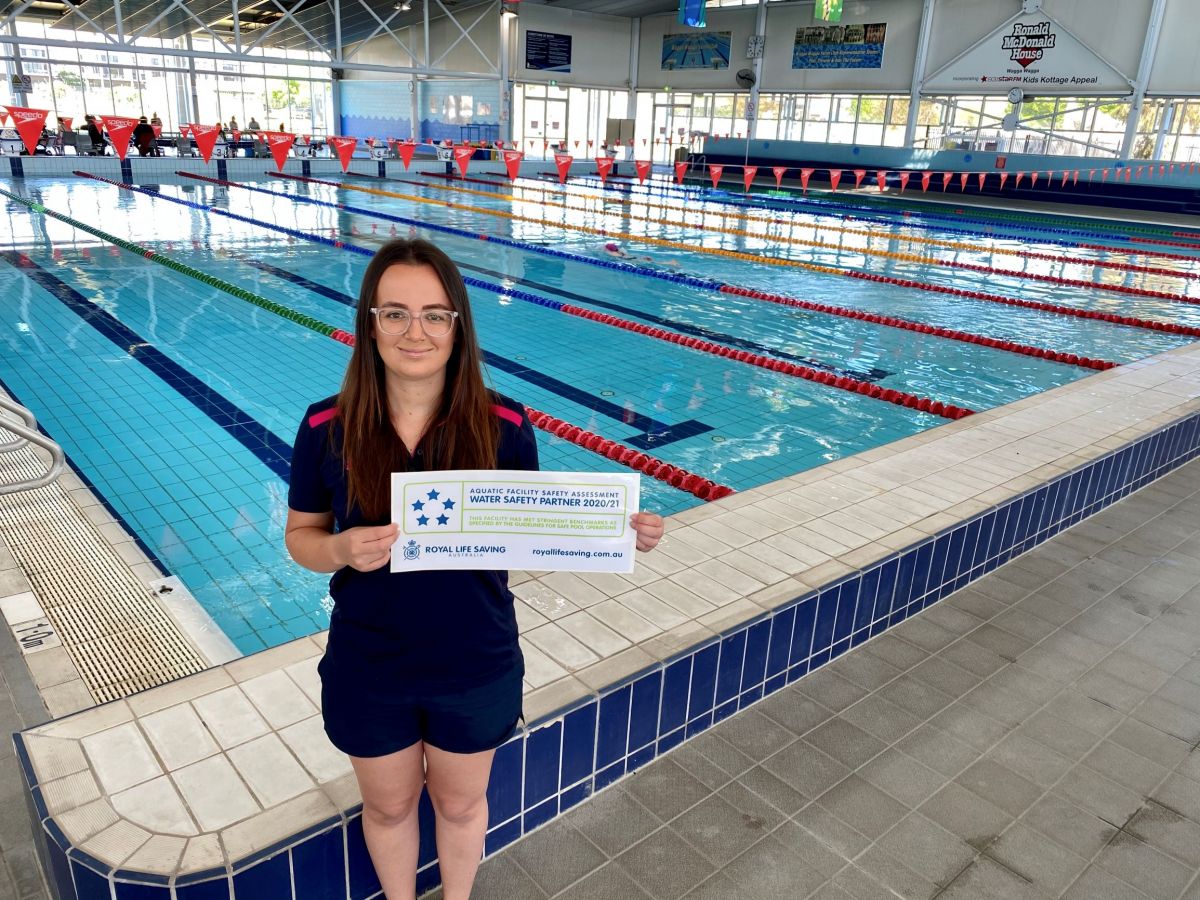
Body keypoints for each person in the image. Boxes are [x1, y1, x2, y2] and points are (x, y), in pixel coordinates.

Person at [285, 239, 663, 900]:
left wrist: (611, 531)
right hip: (371, 664)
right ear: (370, 322)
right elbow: (302, 537)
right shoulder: (326, 425)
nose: (415, 331)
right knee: (389, 809)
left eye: (435, 314)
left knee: (460, 807)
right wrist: (342, 550)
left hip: (475, 660)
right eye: (395, 313)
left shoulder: (504, 424)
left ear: (458, 325)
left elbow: (527, 532)